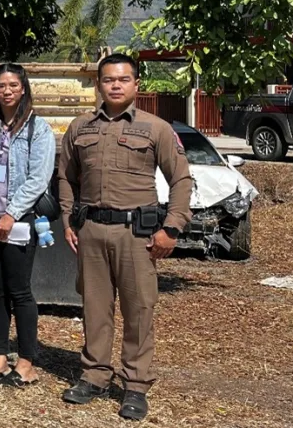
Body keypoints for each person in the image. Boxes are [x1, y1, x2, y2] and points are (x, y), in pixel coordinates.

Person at [57, 53, 192, 421]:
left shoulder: (156, 128)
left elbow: (181, 179)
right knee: (94, 308)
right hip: (92, 231)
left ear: (136, 84)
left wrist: (171, 228)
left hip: (137, 235)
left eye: (123, 79)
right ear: (98, 84)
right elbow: (66, 177)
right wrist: (69, 219)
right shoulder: (80, 127)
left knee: (139, 310)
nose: (115, 85)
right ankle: (94, 376)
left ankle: (135, 385)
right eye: (108, 79)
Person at [0, 63, 56, 388]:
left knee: (19, 291)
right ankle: (0, 359)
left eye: (13, 85)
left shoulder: (38, 129)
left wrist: (12, 214)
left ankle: (26, 363)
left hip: (18, 221)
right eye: (1, 85)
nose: (7, 91)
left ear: (23, 88)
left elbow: (39, 178)